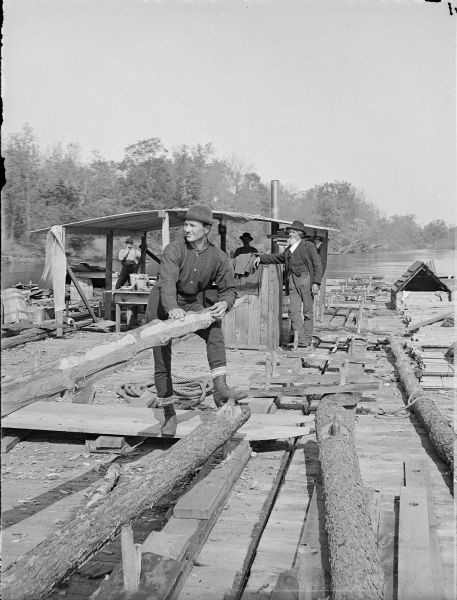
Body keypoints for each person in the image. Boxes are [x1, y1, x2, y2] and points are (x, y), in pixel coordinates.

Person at [146, 204, 247, 435]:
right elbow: (167, 283)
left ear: (206, 229)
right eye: (186, 225)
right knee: (162, 358)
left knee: (214, 329)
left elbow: (230, 289)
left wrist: (225, 302)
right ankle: (169, 412)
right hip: (162, 303)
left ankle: (221, 388)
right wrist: (171, 308)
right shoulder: (174, 249)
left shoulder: (219, 257)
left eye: (192, 225)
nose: (187, 229)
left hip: (189, 302)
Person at [254, 220, 322, 348]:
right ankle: (302, 340)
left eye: (293, 232)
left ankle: (307, 338)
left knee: (307, 312)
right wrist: (261, 258)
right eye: (290, 232)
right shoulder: (288, 250)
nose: (290, 234)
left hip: (306, 279)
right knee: (293, 311)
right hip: (292, 281)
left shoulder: (308, 246)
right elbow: (276, 258)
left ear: (300, 234)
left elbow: (318, 265)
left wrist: (316, 283)